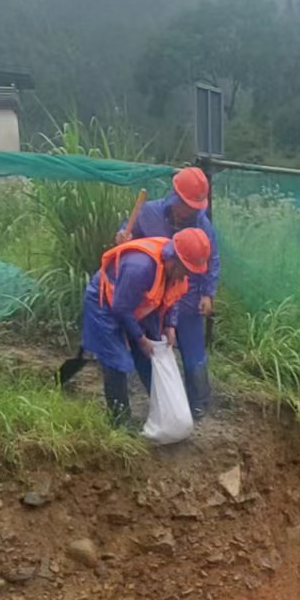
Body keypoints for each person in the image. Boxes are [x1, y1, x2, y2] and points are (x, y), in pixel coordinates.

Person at [79, 228, 213, 427]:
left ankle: (164, 413)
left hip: (136, 304)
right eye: (185, 269)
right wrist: (140, 339)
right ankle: (120, 421)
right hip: (105, 303)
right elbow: (120, 307)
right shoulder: (140, 267)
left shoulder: (175, 270)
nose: (186, 275)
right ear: (174, 258)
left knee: (151, 355)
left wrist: (170, 325)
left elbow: (173, 295)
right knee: (117, 360)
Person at [118, 167, 219, 416]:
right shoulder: (148, 213)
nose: (190, 211)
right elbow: (129, 237)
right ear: (175, 195)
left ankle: (199, 404)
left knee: (193, 349)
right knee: (156, 346)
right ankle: (165, 403)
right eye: (187, 205)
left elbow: (212, 258)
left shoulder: (203, 225)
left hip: (189, 292)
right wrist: (123, 236)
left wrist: (207, 293)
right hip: (156, 295)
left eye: (195, 207)